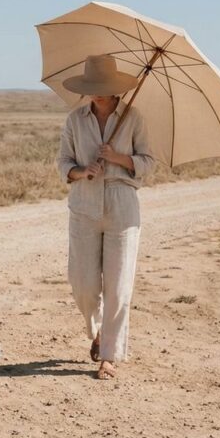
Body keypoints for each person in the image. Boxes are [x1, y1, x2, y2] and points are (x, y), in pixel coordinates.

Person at [56, 54, 156, 380]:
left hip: (122, 205)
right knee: (82, 283)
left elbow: (148, 162)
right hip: (83, 205)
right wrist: (82, 171)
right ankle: (96, 330)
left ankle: (109, 356)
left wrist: (117, 158)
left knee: (118, 286)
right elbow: (62, 164)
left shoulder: (133, 118)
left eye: (102, 88)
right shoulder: (75, 120)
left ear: (115, 89)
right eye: (92, 88)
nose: (96, 93)